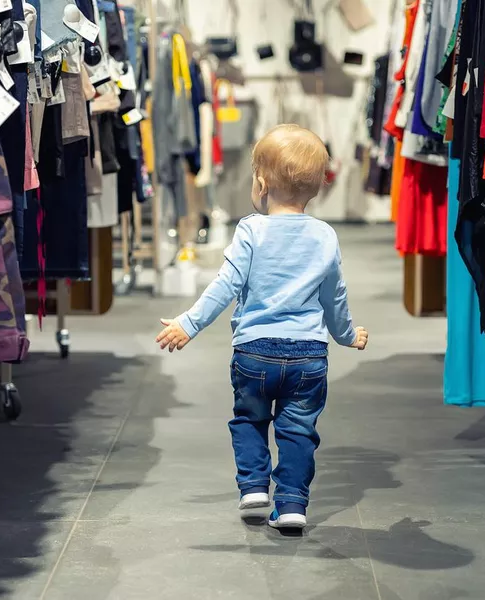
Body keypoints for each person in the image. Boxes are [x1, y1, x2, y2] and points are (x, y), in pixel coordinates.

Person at [155, 124, 368, 529]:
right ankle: (291, 505)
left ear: (261, 182)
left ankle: (253, 486)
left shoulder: (251, 230)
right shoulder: (325, 235)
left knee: (249, 419)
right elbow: (333, 297)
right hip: (308, 357)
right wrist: (347, 335)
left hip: (254, 353)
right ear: (319, 186)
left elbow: (226, 285)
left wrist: (189, 323)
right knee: (298, 431)